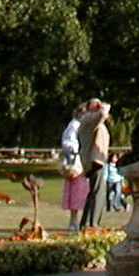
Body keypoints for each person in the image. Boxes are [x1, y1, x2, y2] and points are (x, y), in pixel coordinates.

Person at [59, 99, 97, 232]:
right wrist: (78, 151)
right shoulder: (75, 125)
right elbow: (69, 143)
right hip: (76, 162)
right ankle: (74, 221)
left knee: (79, 191)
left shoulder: (79, 125)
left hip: (79, 161)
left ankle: (76, 221)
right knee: (77, 191)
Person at [77, 101, 113, 230]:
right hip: (94, 161)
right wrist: (102, 106)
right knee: (98, 192)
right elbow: (104, 112)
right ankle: (92, 224)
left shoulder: (90, 121)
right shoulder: (88, 120)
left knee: (95, 191)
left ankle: (87, 223)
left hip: (97, 160)